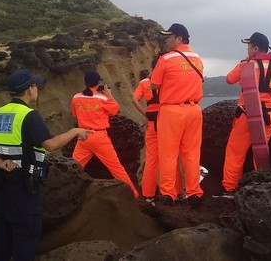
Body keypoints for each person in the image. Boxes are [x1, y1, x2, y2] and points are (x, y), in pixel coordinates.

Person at [0, 69, 91, 261]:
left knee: (1, 234)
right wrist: (75, 131)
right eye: (35, 86)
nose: (36, 89)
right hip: (24, 186)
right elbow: (50, 144)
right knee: (26, 234)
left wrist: (1, 162)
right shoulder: (29, 116)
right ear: (30, 90)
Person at [221, 32, 271, 196]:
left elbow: (229, 79)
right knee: (261, 153)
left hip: (247, 115)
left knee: (235, 153)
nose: (247, 49)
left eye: (249, 46)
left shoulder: (245, 65)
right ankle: (259, 189)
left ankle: (230, 189)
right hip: (269, 117)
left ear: (256, 48)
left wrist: (246, 63)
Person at [150, 23, 204, 206]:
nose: (166, 39)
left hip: (171, 111)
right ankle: (194, 193)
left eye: (169, 36)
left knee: (168, 154)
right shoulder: (198, 59)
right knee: (191, 154)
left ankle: (168, 194)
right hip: (194, 110)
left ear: (179, 38)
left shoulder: (166, 59)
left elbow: (154, 85)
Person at [71, 71, 139, 198]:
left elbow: (75, 114)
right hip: (99, 137)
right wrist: (109, 95)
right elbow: (117, 110)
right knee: (116, 169)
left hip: (83, 136)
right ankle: (133, 195)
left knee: (73, 167)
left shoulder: (76, 97)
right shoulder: (102, 98)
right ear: (97, 84)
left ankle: (67, 191)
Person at [131, 61, 182, 204]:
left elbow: (134, 99)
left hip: (151, 122)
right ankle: (176, 192)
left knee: (151, 159)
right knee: (171, 157)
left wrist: (145, 114)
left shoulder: (144, 83)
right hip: (167, 121)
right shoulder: (167, 81)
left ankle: (148, 195)